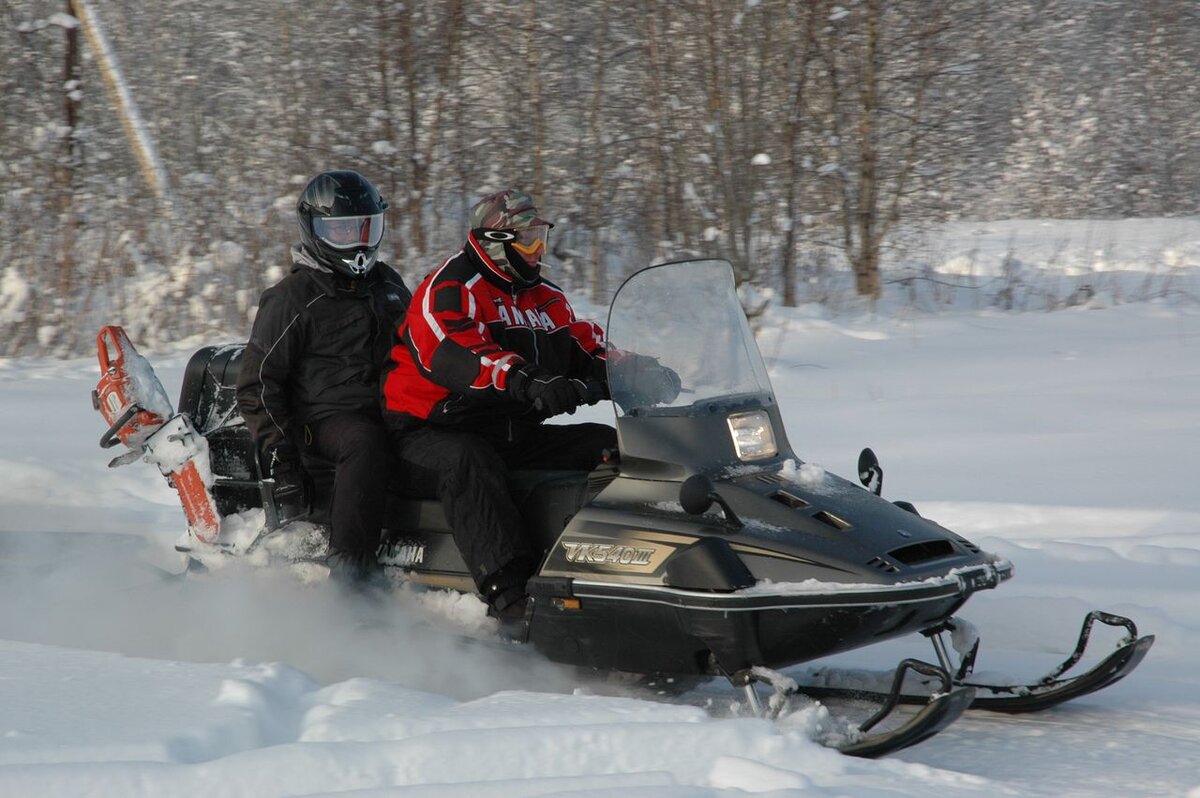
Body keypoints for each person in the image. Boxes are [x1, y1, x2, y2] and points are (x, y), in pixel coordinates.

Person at [381, 189, 615, 618]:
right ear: (496, 240)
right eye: (527, 239)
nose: (538, 250)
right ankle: (510, 599)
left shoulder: (545, 297)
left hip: (510, 430)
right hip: (428, 430)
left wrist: (630, 370)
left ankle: (613, 571)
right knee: (468, 462)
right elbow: (455, 351)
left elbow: (583, 342)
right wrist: (527, 380)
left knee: (607, 445)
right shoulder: (451, 286)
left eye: (541, 238)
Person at [236, 169, 411, 585]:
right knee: (363, 441)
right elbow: (257, 383)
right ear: (315, 231)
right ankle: (350, 573)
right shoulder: (292, 298)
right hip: (322, 422)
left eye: (365, 228)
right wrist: (281, 458)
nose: (357, 242)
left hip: (387, 410)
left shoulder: (388, 285)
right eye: (343, 231)